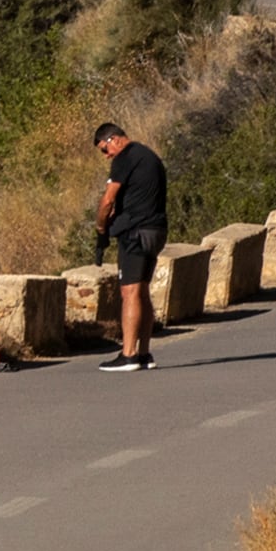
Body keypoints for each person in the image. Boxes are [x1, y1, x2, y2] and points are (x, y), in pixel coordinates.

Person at [93, 121, 170, 372]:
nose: (107, 157)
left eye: (105, 150)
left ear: (114, 139)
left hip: (135, 232)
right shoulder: (149, 156)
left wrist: (101, 228)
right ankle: (145, 352)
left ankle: (128, 355)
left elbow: (108, 200)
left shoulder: (125, 158)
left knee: (130, 293)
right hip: (155, 230)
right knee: (142, 291)